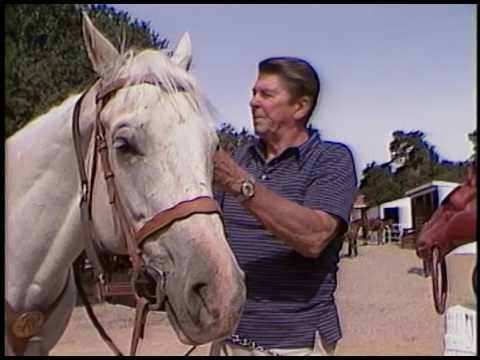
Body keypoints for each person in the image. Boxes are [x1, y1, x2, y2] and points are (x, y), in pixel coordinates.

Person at [212, 57, 357, 356]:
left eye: (266, 94)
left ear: (300, 107)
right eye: (253, 93)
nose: (253, 102)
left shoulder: (331, 160)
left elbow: (314, 237)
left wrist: (242, 185)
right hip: (230, 340)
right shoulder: (240, 158)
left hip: (295, 344)